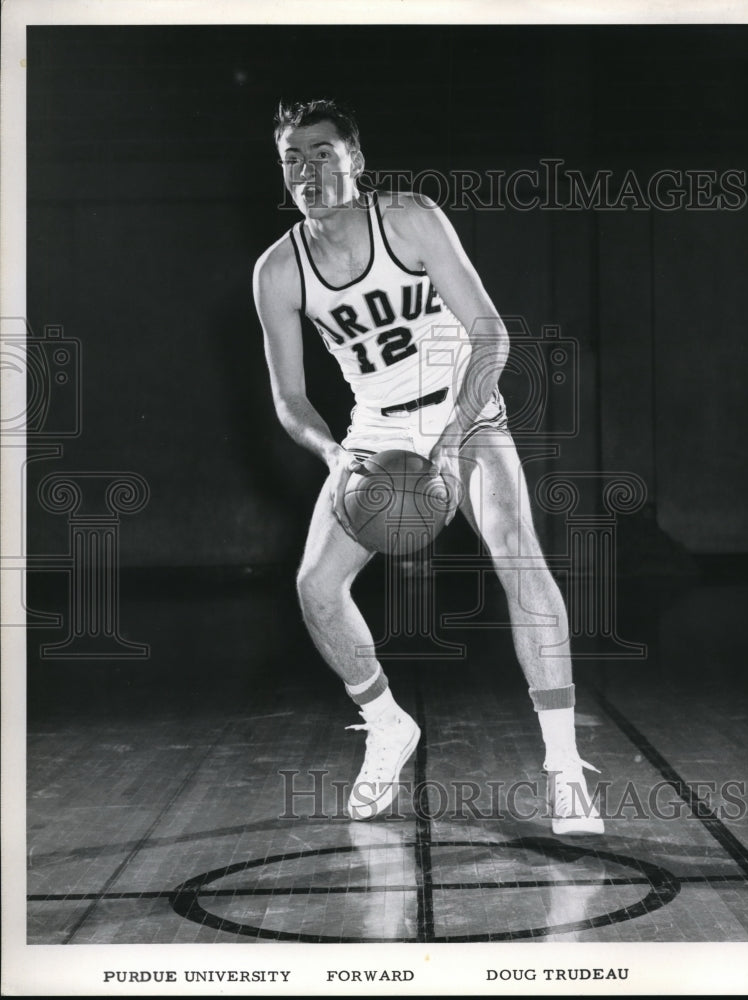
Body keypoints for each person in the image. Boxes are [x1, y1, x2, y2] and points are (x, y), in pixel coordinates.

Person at [252, 98, 603, 835]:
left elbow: (491, 334)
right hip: (375, 429)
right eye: (292, 158)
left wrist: (451, 436)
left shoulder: (410, 218)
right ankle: (385, 724)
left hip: (462, 406)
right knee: (315, 587)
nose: (307, 171)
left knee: (518, 556)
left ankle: (564, 767)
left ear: (357, 161)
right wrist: (333, 454)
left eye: (322, 153)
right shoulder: (278, 271)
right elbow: (289, 398)